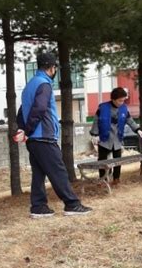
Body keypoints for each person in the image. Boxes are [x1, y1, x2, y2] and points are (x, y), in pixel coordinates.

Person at [15, 52, 92, 219]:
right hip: (44, 137)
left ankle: (38, 207)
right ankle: (72, 204)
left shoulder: (30, 85)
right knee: (59, 171)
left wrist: (22, 129)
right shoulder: (45, 84)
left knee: (39, 174)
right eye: (55, 67)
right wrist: (28, 130)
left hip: (34, 140)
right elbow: (40, 109)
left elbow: (21, 111)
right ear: (52, 68)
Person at [90, 87, 142, 186]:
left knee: (118, 160)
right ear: (113, 99)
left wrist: (138, 130)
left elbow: (130, 121)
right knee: (102, 161)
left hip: (117, 139)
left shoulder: (124, 108)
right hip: (104, 138)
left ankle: (116, 179)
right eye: (120, 100)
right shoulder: (102, 108)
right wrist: (94, 134)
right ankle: (103, 179)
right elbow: (96, 121)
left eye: (123, 100)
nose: (122, 102)